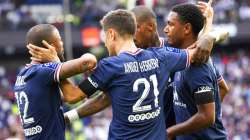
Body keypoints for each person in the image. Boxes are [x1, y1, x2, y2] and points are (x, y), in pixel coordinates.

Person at [27, 9, 218, 139]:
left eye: (104, 38)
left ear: (111, 34)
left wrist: (56, 64)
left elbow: (72, 96)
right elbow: (195, 52)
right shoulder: (162, 56)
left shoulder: (110, 66)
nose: (104, 44)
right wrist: (209, 34)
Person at [13, 24, 97, 140]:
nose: (62, 44)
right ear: (51, 46)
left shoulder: (23, 74)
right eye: (60, 40)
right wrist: (55, 61)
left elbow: (69, 95)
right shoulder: (43, 71)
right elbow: (89, 61)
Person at [164, 3, 228, 140]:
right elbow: (223, 88)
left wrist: (171, 132)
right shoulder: (185, 58)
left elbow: (206, 116)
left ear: (187, 28)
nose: (165, 29)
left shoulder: (197, 65)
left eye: (171, 24)